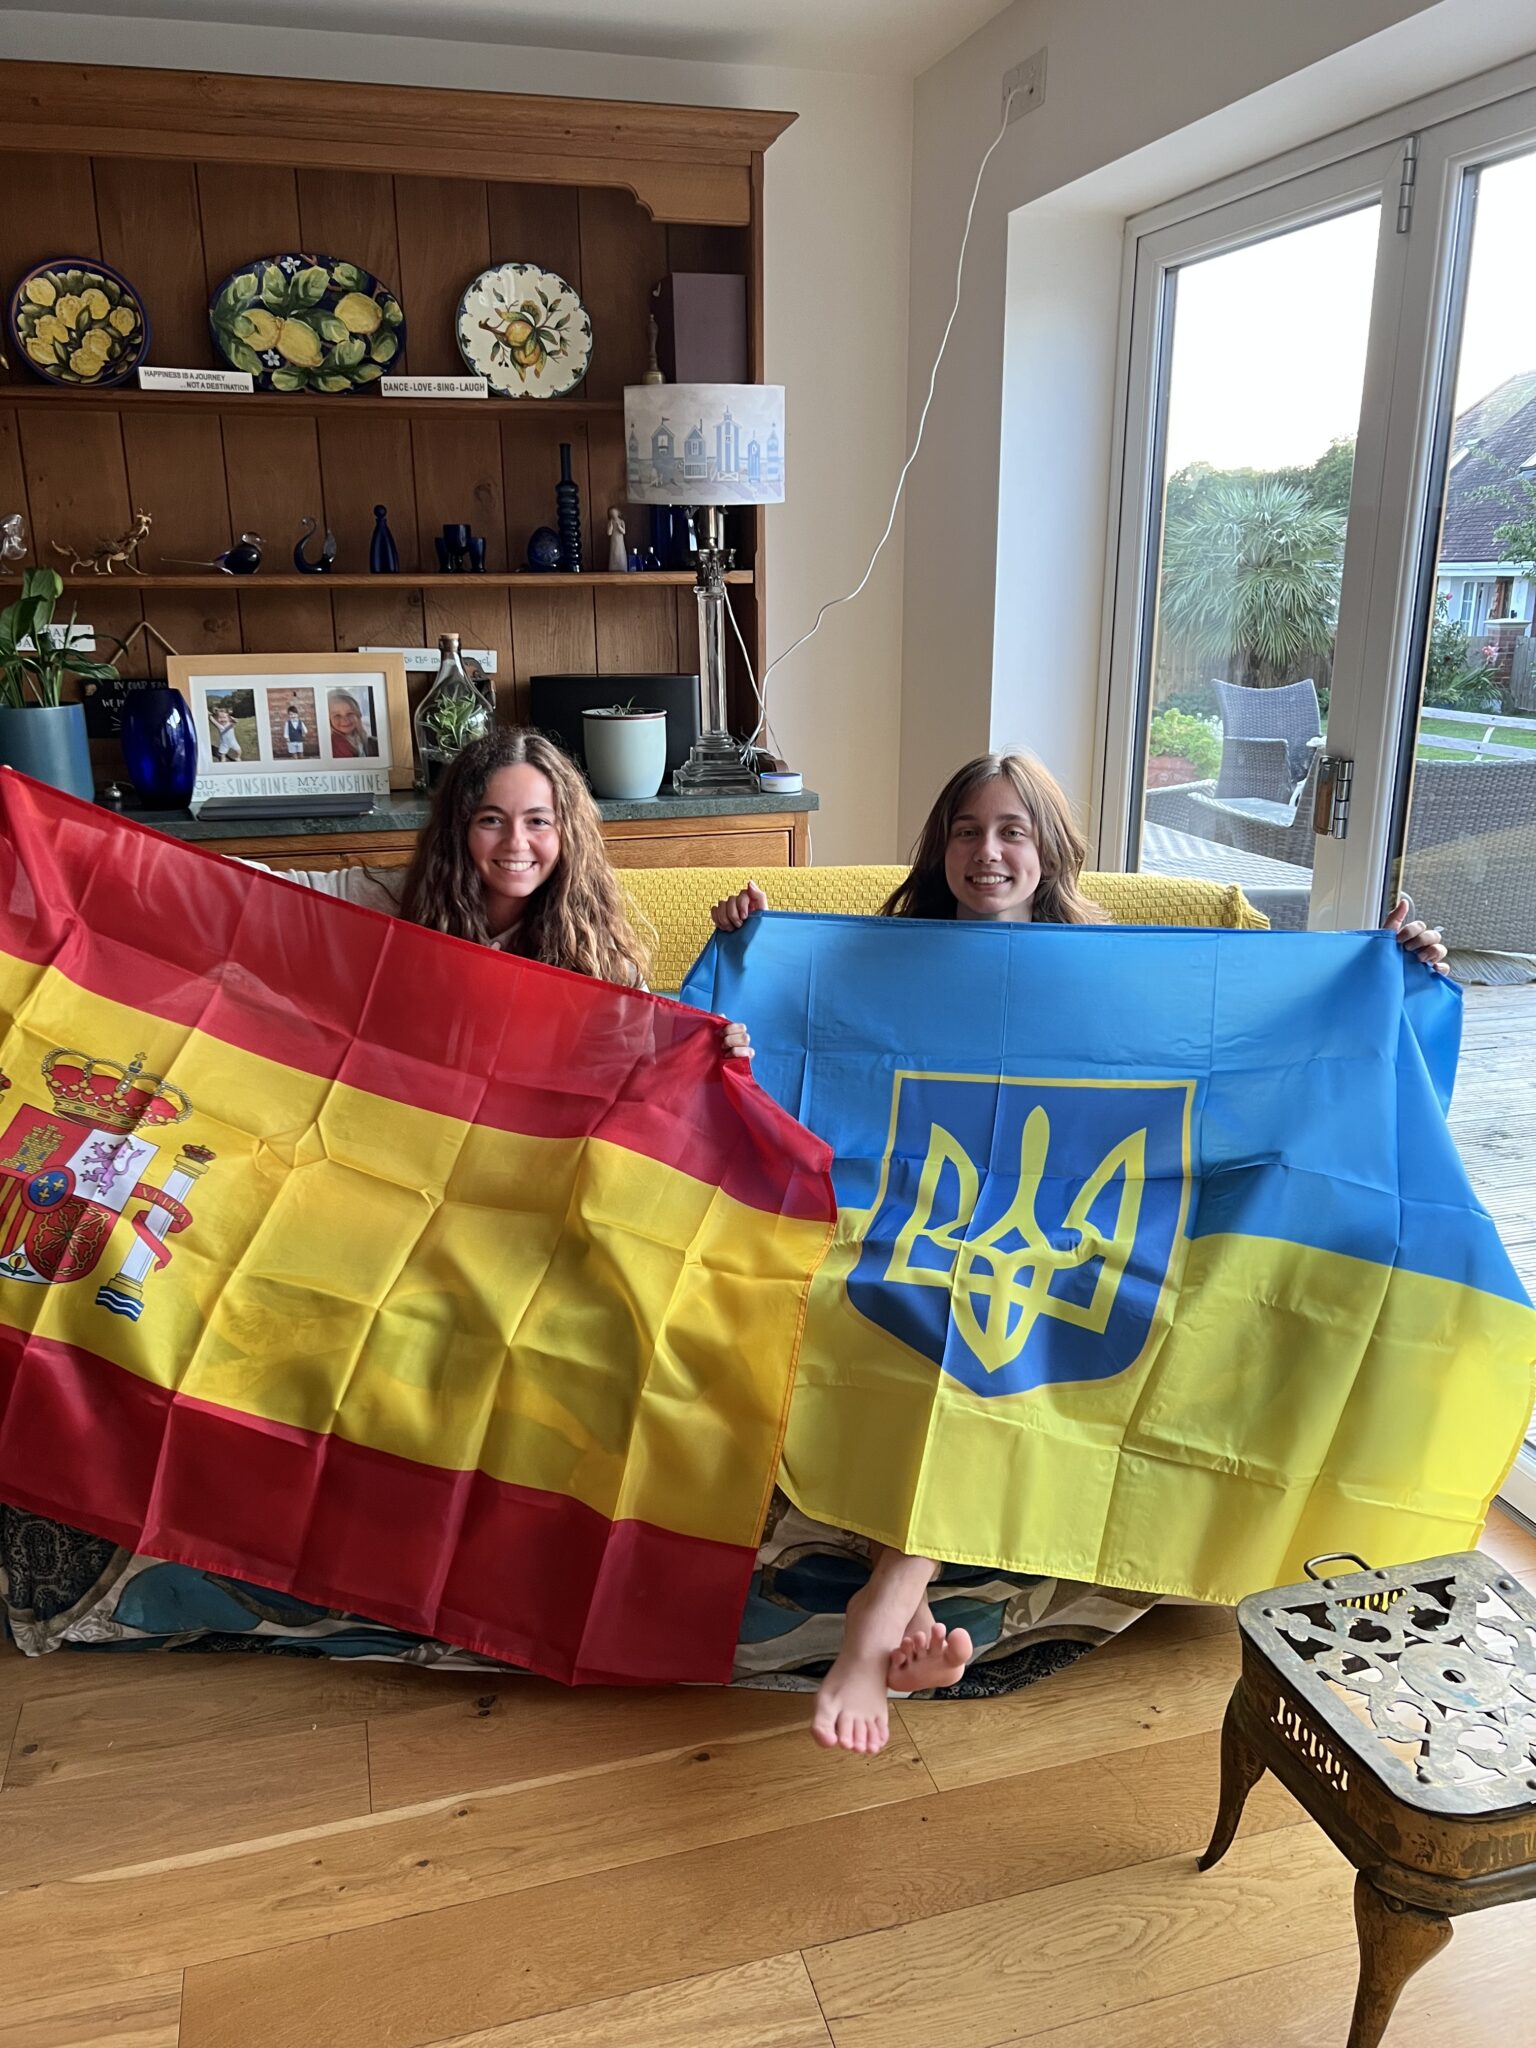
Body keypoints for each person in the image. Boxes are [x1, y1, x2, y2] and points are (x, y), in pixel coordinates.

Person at [710, 748, 1448, 1755]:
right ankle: (907, 1600)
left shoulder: (1117, 965)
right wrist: (750, 947)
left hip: (1076, 1233)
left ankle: (890, 1597)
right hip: (911, 1210)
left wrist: (1391, 972)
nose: (988, 850)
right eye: (967, 829)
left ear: (1048, 849)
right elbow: (779, 1038)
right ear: (941, 846)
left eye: (1013, 829)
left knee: (996, 1310)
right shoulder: (880, 957)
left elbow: (1272, 1029)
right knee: (922, 1298)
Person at [244, 728, 750, 1058]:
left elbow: (643, 1053)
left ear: (565, 834)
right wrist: (166, 862)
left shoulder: (593, 945)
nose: (515, 843)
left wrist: (712, 1049)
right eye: (491, 820)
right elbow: (257, 894)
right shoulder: (390, 898)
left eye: (538, 822)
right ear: (459, 828)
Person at [328, 689, 379, 759]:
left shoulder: (360, 738)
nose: (345, 720)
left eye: (350, 713)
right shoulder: (334, 746)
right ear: (328, 719)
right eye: (337, 715)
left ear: (358, 715)